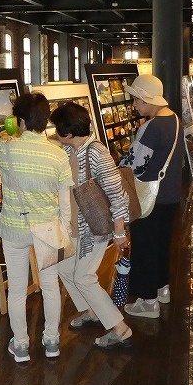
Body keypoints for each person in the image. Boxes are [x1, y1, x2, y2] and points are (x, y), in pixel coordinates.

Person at [0, 92, 73, 363]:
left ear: (22, 121)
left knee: (17, 290)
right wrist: (64, 230)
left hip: (15, 229)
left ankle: (21, 345)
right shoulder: (58, 154)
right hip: (48, 229)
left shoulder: (6, 148)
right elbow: (65, 201)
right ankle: (51, 341)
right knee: (50, 286)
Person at [49, 102, 133, 349]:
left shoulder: (96, 153)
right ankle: (92, 310)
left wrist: (120, 232)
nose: (54, 132)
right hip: (74, 225)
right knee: (64, 268)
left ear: (68, 132)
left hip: (94, 228)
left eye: (57, 128)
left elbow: (117, 195)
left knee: (84, 277)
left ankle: (121, 329)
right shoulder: (70, 149)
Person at [118, 75, 182, 319]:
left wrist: (115, 168)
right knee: (161, 244)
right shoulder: (174, 118)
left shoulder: (151, 127)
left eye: (137, 100)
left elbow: (134, 164)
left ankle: (148, 301)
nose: (134, 104)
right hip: (169, 194)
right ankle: (162, 289)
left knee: (145, 246)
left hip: (149, 197)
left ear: (148, 99)